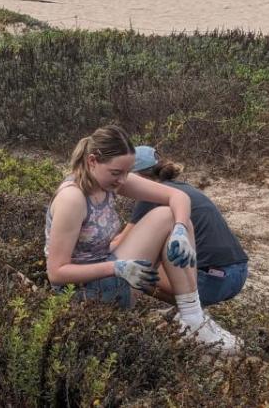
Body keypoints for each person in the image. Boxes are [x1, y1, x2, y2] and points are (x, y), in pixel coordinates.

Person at [44, 125, 240, 353]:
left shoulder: (108, 180)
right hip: (83, 295)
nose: (122, 180)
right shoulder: (73, 199)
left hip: (108, 277)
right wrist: (116, 267)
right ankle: (193, 319)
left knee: (173, 216)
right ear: (92, 161)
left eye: (127, 172)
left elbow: (177, 196)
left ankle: (192, 317)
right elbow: (56, 273)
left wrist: (179, 230)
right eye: (116, 173)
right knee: (165, 216)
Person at [113, 146, 248, 307]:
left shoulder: (150, 197)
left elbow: (122, 243)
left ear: (136, 177)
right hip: (239, 274)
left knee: (133, 269)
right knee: (164, 250)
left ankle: (190, 313)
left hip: (211, 282)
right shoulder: (183, 188)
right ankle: (185, 314)